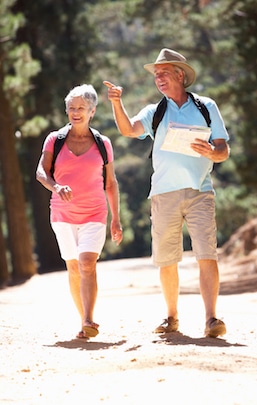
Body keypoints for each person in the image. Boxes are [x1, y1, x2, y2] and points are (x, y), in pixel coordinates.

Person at [104, 48, 230, 338]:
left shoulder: (206, 107)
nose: (158, 78)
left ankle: (211, 319)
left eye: (164, 73)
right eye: (156, 75)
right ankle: (171, 317)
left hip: (200, 191)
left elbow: (223, 149)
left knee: (207, 254)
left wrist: (213, 151)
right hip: (163, 194)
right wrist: (117, 103)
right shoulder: (154, 112)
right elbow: (127, 129)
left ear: (180, 75)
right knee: (167, 259)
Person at [36, 84, 123, 339]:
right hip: (62, 214)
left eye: (81, 108)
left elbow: (111, 182)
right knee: (73, 267)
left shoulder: (102, 143)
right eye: (71, 108)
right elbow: (41, 171)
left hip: (95, 213)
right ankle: (82, 317)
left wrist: (116, 218)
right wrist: (55, 186)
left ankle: (89, 319)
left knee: (87, 263)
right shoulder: (55, 139)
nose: (75, 112)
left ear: (92, 111)